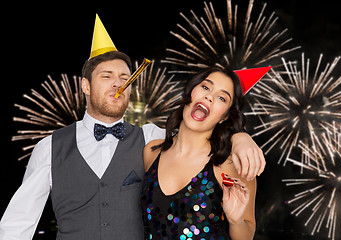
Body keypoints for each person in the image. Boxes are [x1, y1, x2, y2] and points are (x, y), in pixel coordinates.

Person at [0, 15, 265, 240]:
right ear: (86, 86)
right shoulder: (49, 148)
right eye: (107, 77)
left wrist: (240, 137)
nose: (118, 84)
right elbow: (18, 223)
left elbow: (198, 138)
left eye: (125, 78)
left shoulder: (150, 140)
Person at [142, 66, 266, 239]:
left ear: (224, 117)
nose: (209, 96)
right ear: (191, 92)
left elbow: (247, 234)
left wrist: (236, 221)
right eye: (206, 87)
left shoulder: (231, 166)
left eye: (222, 97)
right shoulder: (151, 151)